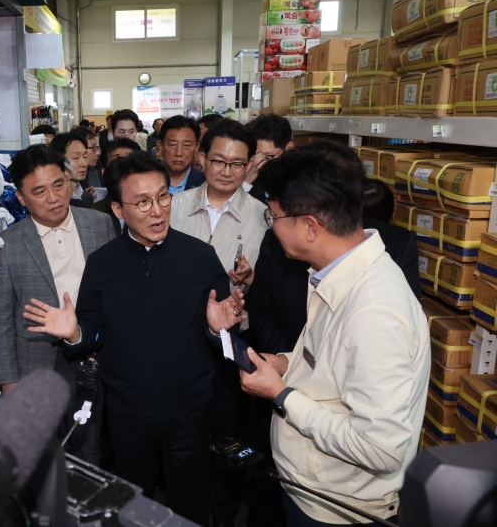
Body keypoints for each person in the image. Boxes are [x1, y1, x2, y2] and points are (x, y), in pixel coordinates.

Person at [22, 151, 247, 526]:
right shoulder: (103, 263)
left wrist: (218, 328)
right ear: (118, 209)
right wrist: (75, 332)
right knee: (132, 504)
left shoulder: (200, 257)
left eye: (162, 197)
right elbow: (92, 332)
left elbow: (224, 339)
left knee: (190, 504)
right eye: (142, 202)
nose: (157, 211)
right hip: (126, 413)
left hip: (189, 411)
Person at [239, 144, 430, 527]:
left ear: (310, 226)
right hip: (312, 488)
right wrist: (286, 363)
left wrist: (281, 394)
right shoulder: (337, 272)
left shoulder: (375, 311)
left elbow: (379, 449)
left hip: (339, 509)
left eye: (273, 216)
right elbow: (332, 364)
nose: (270, 225)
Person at [0, 144, 115, 466]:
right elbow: (0, 321)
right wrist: (9, 382)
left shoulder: (99, 224)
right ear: (21, 198)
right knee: (43, 452)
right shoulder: (9, 245)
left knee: (92, 444)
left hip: (93, 350)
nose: (53, 197)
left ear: (69, 181)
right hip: (38, 362)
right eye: (39, 191)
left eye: (59, 184)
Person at [169, 118, 267, 526]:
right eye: (218, 161)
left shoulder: (263, 217)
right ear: (202, 159)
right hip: (178, 342)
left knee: (228, 433)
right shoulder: (173, 207)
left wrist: (252, 279)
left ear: (249, 166)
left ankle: (223, 514)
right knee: (182, 436)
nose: (227, 171)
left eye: (237, 164)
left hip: (232, 346)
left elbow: (276, 289)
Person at [93, 138, 143, 235]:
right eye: (117, 165)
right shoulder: (92, 214)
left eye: (131, 165)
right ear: (104, 172)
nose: (125, 172)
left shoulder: (158, 208)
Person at [244, 114, 295, 203]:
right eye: (254, 156)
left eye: (267, 157)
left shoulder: (302, 182)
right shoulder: (252, 175)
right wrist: (247, 181)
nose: (260, 164)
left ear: (289, 148)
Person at [157, 115, 204, 195]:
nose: (178, 153)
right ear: (160, 146)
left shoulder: (206, 183)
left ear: (196, 148)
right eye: (172, 145)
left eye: (186, 145)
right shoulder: (146, 181)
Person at [51, 132, 93, 208]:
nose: (83, 164)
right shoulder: (55, 201)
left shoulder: (88, 197)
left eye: (85, 156)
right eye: (76, 157)